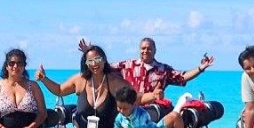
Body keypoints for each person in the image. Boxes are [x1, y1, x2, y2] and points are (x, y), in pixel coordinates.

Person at [35, 45, 132, 128]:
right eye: (90, 61)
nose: (94, 64)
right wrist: (44, 79)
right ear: (86, 63)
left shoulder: (114, 81)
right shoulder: (80, 80)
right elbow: (59, 90)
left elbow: (135, 96)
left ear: (104, 60)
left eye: (98, 59)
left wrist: (152, 96)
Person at [78, 36, 215, 105]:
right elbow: (102, 66)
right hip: (130, 109)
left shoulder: (163, 70)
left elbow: (182, 77)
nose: (146, 51)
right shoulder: (128, 65)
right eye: (143, 48)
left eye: (149, 48)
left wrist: (200, 68)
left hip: (153, 112)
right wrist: (88, 53)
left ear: (155, 50)